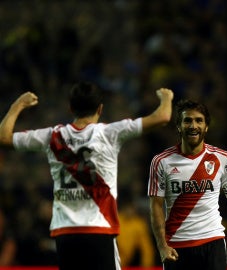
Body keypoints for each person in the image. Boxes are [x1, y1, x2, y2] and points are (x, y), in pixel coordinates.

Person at [0, 81, 174, 270]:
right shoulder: (110, 132)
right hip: (99, 230)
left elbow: (3, 137)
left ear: (70, 108)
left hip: (65, 233)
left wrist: (17, 105)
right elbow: (163, 117)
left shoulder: (52, 136)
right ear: (100, 108)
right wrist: (166, 97)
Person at [147, 99, 227, 270]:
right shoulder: (161, 161)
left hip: (213, 242)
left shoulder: (222, 158)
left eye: (199, 120)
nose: (193, 125)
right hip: (176, 246)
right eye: (187, 120)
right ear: (179, 126)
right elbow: (156, 206)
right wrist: (162, 246)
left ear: (206, 126)